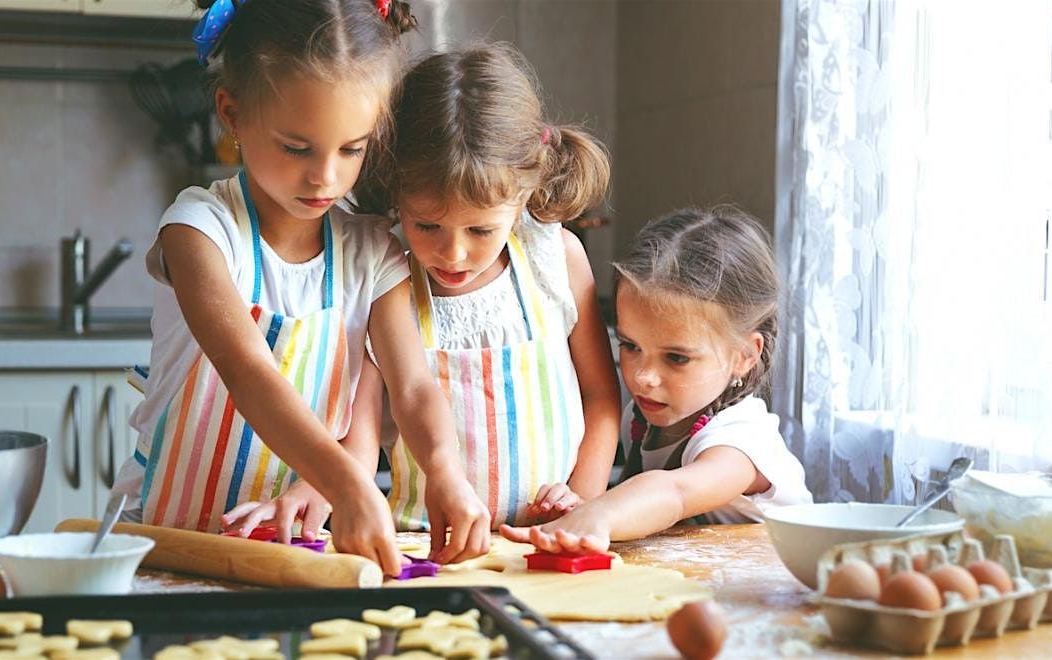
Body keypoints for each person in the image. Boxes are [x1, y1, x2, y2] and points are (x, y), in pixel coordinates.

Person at [111, 0, 489, 573]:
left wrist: (445, 470)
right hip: (167, 543)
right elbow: (248, 370)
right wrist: (349, 486)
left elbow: (412, 388)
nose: (325, 177)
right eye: (297, 147)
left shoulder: (372, 251)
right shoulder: (201, 231)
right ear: (232, 114)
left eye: (352, 148)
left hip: (291, 553)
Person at [351, 44, 622, 530]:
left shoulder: (555, 258)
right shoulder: (388, 275)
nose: (452, 254)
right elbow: (364, 424)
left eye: (480, 231)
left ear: (522, 197)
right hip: (429, 540)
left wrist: (580, 503)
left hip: (550, 538)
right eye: (427, 226)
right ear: (395, 192)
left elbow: (600, 396)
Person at [500, 206, 813, 553]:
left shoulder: (741, 442)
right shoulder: (641, 417)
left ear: (744, 355)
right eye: (630, 346)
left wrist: (600, 515)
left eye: (677, 358)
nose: (643, 377)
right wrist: (577, 507)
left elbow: (674, 493)